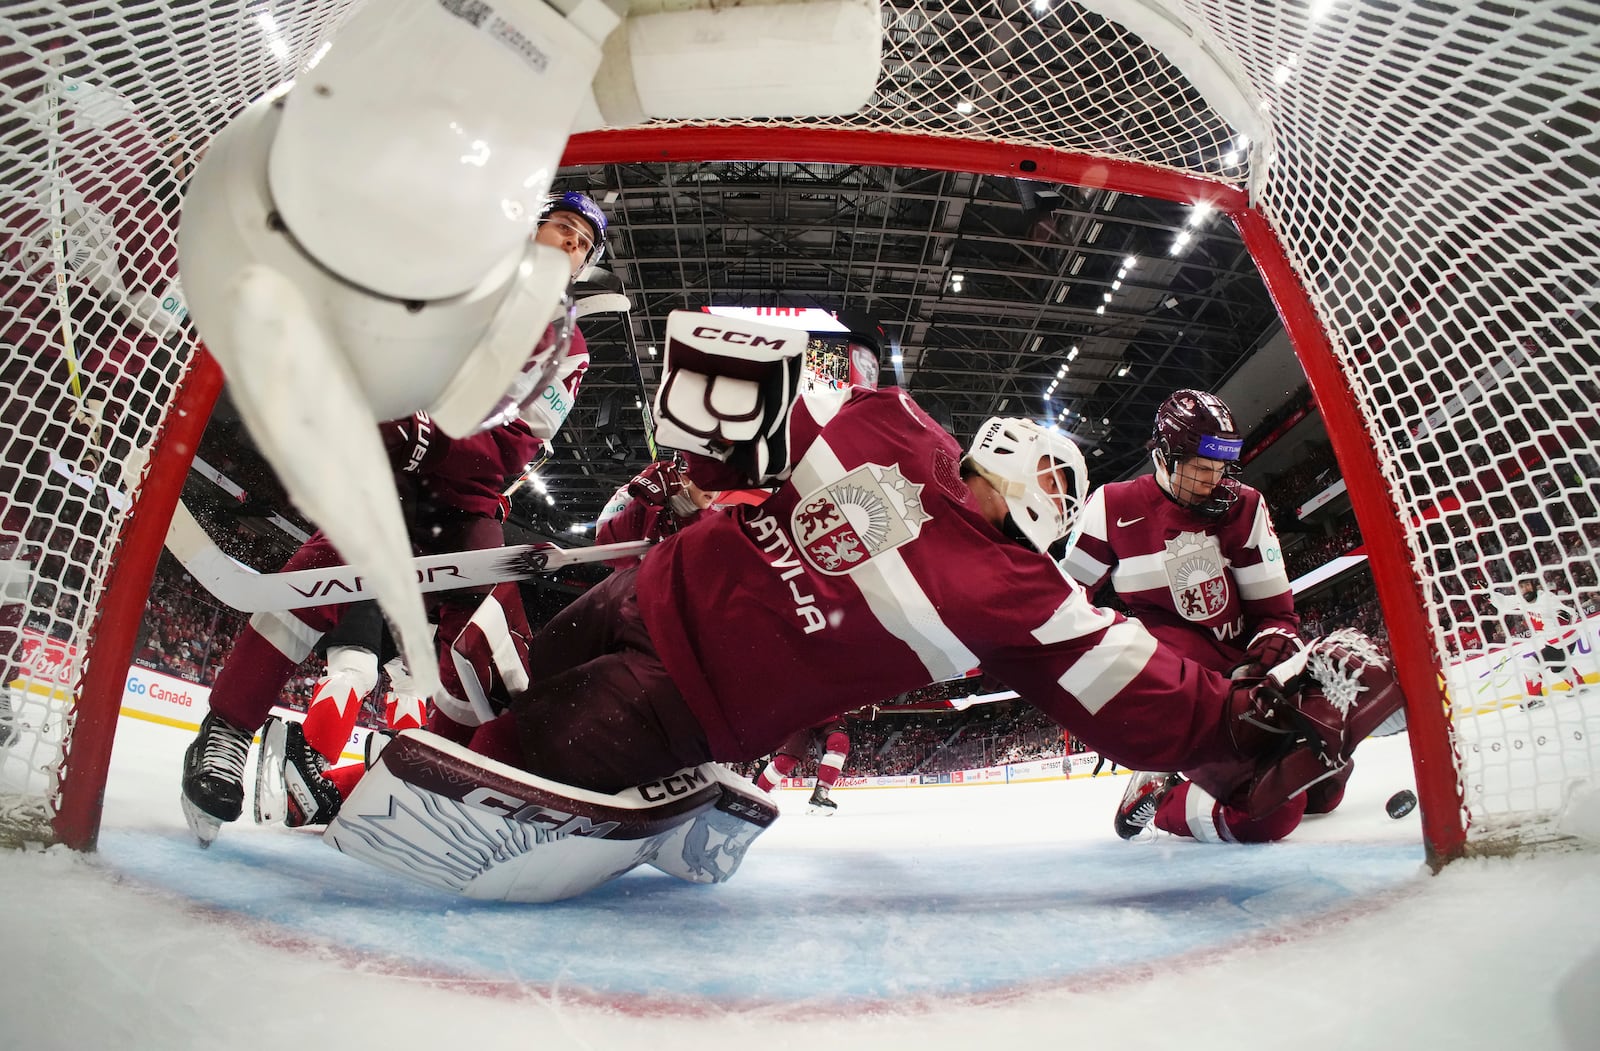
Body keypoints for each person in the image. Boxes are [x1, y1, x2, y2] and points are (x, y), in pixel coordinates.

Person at [304, 320, 1402, 902]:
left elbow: (1127, 676)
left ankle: (383, 779)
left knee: (503, 757)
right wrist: (714, 433)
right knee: (497, 686)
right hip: (632, 589)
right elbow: (762, 401)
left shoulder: (1016, 594)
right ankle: (404, 728)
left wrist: (1242, 720)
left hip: (671, 697)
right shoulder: (895, 426)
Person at [179, 191, 607, 844]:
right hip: (388, 482)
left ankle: (446, 789)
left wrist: (426, 433)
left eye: (583, 243)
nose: (571, 245)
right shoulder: (460, 282)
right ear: (533, 228)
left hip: (466, 501)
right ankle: (226, 732)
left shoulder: (568, 345)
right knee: (306, 590)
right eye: (564, 229)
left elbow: (517, 443)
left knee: (492, 652)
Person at [1060, 389, 1325, 844]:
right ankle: (1162, 799)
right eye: (1202, 468)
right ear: (1163, 457)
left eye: (1222, 468)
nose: (1215, 480)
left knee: (1323, 789)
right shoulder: (1111, 507)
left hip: (1243, 678)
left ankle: (1184, 775)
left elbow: (1277, 617)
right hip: (1177, 686)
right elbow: (1063, 602)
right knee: (1269, 815)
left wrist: (1258, 675)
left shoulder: (1246, 506)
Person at [1489, 578, 1586, 709]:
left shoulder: (1546, 598)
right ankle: (1579, 685)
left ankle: (1536, 698)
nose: (1525, 588)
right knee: (1558, 667)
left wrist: (1563, 617)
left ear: (1533, 585)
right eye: (1522, 586)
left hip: (1564, 640)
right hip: (1555, 643)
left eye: (1527, 585)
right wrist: (1488, 593)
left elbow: (1569, 611)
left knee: (1530, 664)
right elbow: (1504, 602)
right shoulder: (1521, 599)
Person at [752, 718, 852, 813]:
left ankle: (821, 793)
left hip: (825, 713)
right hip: (800, 713)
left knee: (839, 740)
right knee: (785, 761)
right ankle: (757, 795)